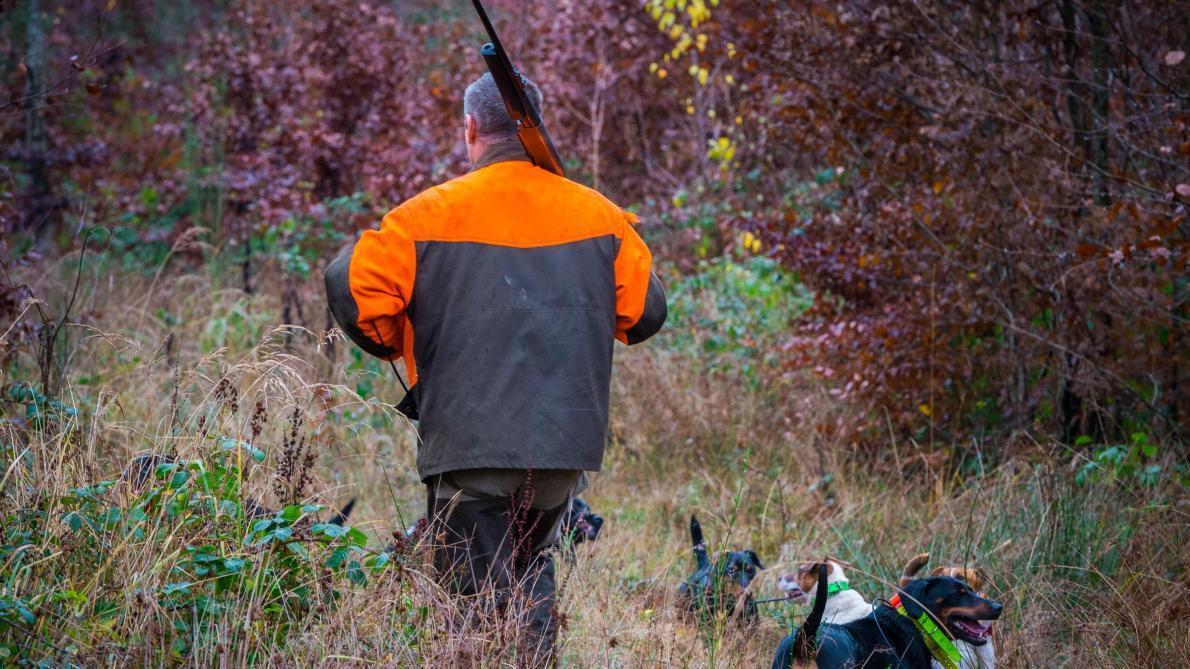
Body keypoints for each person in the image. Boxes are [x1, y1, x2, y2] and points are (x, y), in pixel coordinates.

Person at [324, 72, 666, 664]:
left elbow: (349, 285)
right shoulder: (602, 219)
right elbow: (646, 313)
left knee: (472, 609)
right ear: (536, 132)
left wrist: (391, 344)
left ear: (471, 128)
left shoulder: (421, 217)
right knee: (529, 575)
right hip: (561, 454)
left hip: (471, 451)